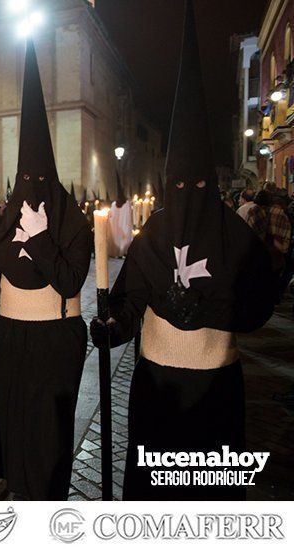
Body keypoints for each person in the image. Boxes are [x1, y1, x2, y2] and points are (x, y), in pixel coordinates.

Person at [90, 0, 276, 500]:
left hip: (215, 389)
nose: (186, 195)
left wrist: (207, 309)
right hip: (155, 385)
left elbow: (258, 305)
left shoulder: (235, 236)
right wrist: (111, 326)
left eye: (197, 185)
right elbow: (131, 300)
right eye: (179, 185)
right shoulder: (153, 235)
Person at [0, 40, 91, 501]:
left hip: (55, 336)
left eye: (39, 182)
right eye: (24, 182)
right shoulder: (4, 223)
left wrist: (40, 238)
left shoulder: (72, 221)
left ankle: (45, 498)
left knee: (45, 425)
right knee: (8, 414)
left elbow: (72, 280)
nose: (30, 191)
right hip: (10, 334)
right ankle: (9, 482)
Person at [108, 173, 133, 257]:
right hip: (116, 228)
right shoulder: (114, 205)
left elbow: (127, 220)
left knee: (122, 240)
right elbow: (111, 217)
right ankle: (117, 251)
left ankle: (122, 251)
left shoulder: (126, 205)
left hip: (122, 227)